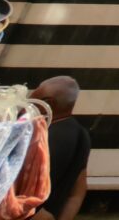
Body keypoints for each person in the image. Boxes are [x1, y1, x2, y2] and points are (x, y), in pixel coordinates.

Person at [31, 76, 89, 220]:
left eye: (35, 97)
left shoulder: (42, 136)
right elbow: (77, 192)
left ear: (49, 103)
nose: (30, 97)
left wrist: (41, 215)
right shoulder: (81, 133)